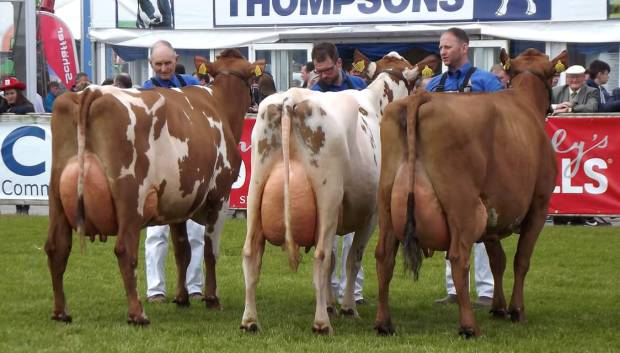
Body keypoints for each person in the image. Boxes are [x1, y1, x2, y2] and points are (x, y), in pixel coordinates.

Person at [426, 28, 501, 308]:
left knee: (480, 226)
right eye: (440, 46)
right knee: (449, 225)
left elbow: (503, 117)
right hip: (443, 167)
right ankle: (455, 289)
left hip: (480, 167)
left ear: (464, 47)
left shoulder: (486, 81)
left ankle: (486, 290)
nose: (442, 51)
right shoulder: (433, 85)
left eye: (447, 46)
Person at [142, 40, 203, 303]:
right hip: (157, 169)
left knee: (195, 230)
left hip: (189, 167)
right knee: (156, 231)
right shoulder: (144, 92)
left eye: (168, 63)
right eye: (159, 64)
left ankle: (194, 285)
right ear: (150, 65)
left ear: (176, 59)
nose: (164, 68)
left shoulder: (193, 86)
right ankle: (156, 289)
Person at [310, 42, 367, 305]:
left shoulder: (358, 88)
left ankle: (352, 292)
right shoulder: (313, 93)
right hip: (327, 172)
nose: (324, 75)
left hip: (358, 169)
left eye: (328, 69)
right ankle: (327, 291)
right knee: (327, 235)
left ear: (339, 63)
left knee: (356, 235)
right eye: (319, 71)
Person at [0, 77, 35, 215]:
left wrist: (9, 111)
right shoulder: (6, 106)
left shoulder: (28, 106)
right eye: (6, 94)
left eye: (12, 93)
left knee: (24, 177)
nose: (9, 96)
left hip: (25, 148)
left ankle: (24, 209)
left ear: (18, 93)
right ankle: (18, 209)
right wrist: (4, 104)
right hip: (10, 149)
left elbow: (27, 109)